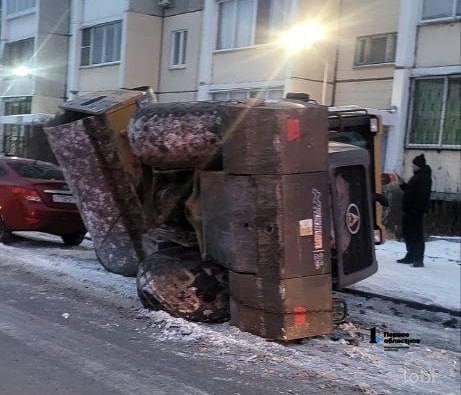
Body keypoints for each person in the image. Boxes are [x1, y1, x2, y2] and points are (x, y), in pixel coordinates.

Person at [396, 154, 432, 267]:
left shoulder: (424, 178)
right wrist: (402, 185)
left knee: (416, 235)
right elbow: (410, 191)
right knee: (408, 234)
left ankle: (418, 259)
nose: (412, 167)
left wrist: (416, 210)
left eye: (414, 165)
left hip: (415, 212)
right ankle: (410, 256)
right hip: (409, 211)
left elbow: (422, 196)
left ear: (419, 166)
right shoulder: (416, 177)